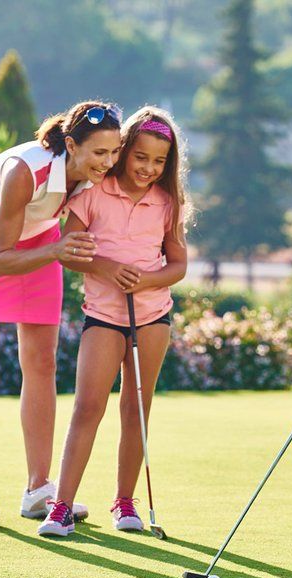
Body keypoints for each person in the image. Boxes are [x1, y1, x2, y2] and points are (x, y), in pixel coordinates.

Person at [0, 100, 122, 527]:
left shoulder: (93, 176)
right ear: (71, 144)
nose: (109, 162)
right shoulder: (24, 171)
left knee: (42, 361)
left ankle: (38, 488)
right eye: (100, 153)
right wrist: (57, 251)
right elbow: (0, 259)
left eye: (114, 152)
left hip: (42, 243)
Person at [37, 107, 192, 537]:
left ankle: (125, 502)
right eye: (141, 157)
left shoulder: (168, 203)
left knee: (135, 410)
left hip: (152, 317)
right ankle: (61, 506)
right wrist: (105, 268)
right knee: (88, 406)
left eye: (159, 161)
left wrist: (147, 279)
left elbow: (177, 265)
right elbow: (70, 248)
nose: (148, 168)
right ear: (123, 152)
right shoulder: (92, 191)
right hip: (104, 316)